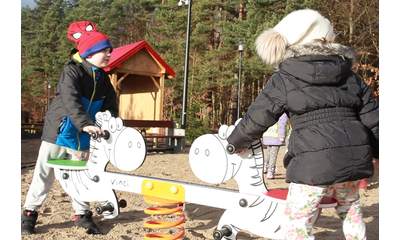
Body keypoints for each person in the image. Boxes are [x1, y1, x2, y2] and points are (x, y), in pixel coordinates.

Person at [227, 9, 378, 240]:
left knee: (298, 221)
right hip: (353, 159)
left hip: (311, 164)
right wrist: (379, 154)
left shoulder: (285, 77)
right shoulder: (350, 76)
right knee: (351, 209)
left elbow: (258, 116)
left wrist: (235, 142)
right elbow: (373, 119)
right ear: (327, 39)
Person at [21, 21, 118, 235]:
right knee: (44, 173)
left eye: (110, 50)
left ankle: (82, 214)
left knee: (79, 174)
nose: (109, 53)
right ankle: (30, 213)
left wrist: (110, 121)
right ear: (90, 52)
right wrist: (85, 123)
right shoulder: (72, 71)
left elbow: (110, 104)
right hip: (60, 131)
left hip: (85, 135)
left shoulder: (103, 78)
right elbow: (70, 100)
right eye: (104, 50)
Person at [262, 112, 289, 179]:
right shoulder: (283, 114)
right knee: (273, 155)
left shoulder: (271, 111)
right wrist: (282, 136)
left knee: (268, 152)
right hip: (276, 137)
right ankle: (270, 171)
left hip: (268, 135)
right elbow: (282, 125)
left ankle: (265, 167)